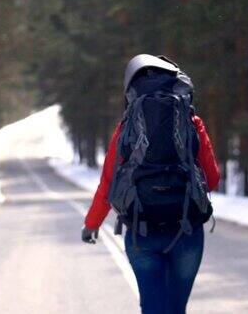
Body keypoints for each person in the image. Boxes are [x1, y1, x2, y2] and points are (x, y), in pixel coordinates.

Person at [81, 54, 220, 314]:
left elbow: (109, 184)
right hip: (186, 231)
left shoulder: (126, 127)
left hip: (141, 231)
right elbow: (211, 180)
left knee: (153, 307)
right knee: (176, 308)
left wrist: (92, 224)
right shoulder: (192, 123)